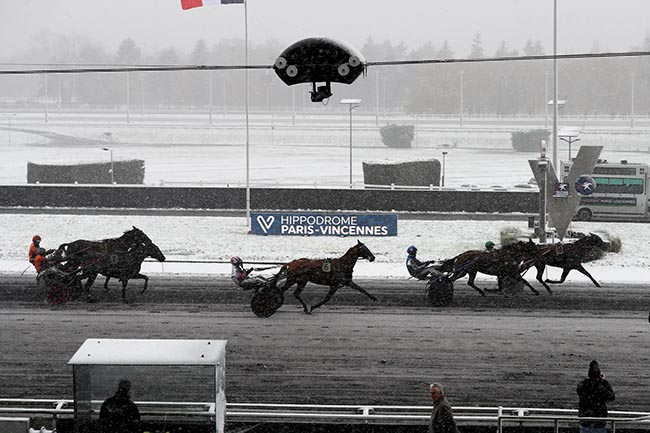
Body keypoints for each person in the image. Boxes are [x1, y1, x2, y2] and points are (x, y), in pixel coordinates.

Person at [576, 360, 615, 433]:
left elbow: (579, 390)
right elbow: (611, 396)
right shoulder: (601, 387)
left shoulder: (582, 385)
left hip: (585, 421)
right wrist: (605, 382)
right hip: (598, 421)